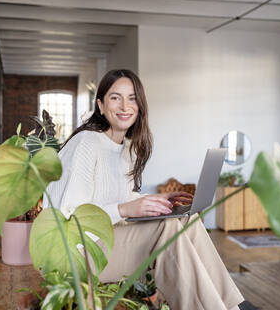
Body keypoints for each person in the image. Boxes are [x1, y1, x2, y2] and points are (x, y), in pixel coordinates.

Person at [46, 69, 247, 310]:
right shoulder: (86, 143)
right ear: (100, 105)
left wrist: (155, 200)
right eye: (115, 97)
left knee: (187, 219)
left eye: (132, 98)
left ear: (140, 105)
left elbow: (121, 197)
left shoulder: (125, 147)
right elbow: (70, 216)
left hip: (108, 241)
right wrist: (124, 209)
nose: (125, 106)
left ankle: (229, 306)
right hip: (78, 254)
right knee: (168, 228)